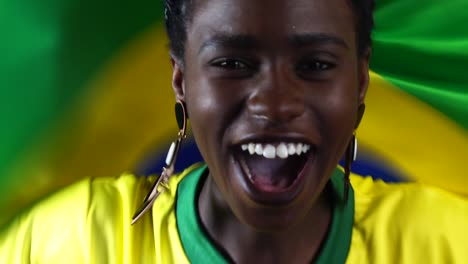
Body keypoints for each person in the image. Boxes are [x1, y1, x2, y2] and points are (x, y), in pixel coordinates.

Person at [1, 0, 467, 263]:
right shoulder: (69, 245)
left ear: (360, 82)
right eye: (232, 63)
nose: (275, 103)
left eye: (316, 65)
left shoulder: (447, 244)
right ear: (180, 80)